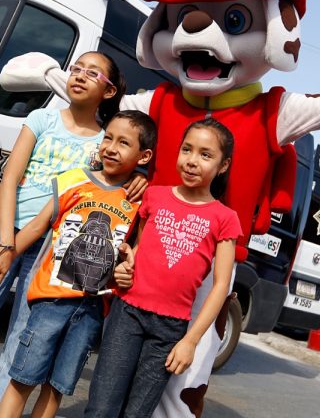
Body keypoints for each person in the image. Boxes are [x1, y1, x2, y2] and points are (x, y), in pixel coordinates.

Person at [0, 51, 140, 418]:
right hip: (4, 236)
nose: (79, 76)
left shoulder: (105, 143)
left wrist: (141, 179)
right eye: (76, 69)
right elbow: (10, 179)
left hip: (50, 254)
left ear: (109, 90)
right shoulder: (42, 119)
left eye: (92, 73)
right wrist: (5, 243)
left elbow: (119, 179)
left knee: (15, 350)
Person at [0, 110, 157, 418]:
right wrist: (0, 259)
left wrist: (127, 266)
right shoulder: (72, 181)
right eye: (108, 138)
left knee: (56, 389)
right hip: (49, 302)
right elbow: (37, 227)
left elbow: (138, 251)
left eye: (123, 143)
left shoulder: (141, 201)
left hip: (92, 310)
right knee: (22, 380)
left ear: (144, 156)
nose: (110, 147)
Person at [85, 118, 241, 418]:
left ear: (223, 165)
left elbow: (221, 286)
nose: (192, 161)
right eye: (187, 150)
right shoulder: (154, 196)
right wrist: (124, 268)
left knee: (137, 413)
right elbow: (140, 250)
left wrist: (190, 342)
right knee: (101, 408)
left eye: (205, 155)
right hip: (127, 314)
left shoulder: (224, 219)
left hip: (170, 330)